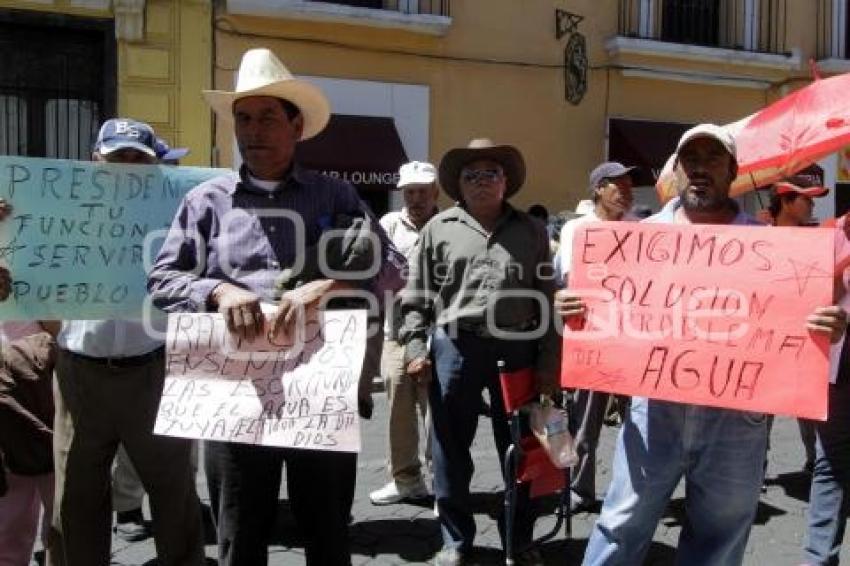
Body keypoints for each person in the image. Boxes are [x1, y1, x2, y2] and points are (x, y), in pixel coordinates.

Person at [147, 48, 405, 566]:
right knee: (240, 535)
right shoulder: (207, 202)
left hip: (319, 391)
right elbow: (162, 280)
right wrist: (217, 292)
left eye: (268, 117)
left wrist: (329, 285)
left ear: (297, 126)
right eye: (244, 118)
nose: (253, 130)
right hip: (233, 394)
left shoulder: (337, 197)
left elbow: (394, 267)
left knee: (327, 532)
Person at [557, 124, 847, 565]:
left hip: (737, 422)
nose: (700, 168)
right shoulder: (633, 241)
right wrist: (574, 307)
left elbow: (798, 322)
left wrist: (829, 324)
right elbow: (600, 310)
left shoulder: (769, 247)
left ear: (733, 171)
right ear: (677, 169)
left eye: (713, 159)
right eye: (690, 159)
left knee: (720, 537)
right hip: (653, 412)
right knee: (620, 526)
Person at [399, 138, 559, 566]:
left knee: (524, 448)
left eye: (491, 173)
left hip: (518, 346)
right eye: (472, 175)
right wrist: (416, 347)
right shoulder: (438, 229)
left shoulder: (532, 231)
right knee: (449, 447)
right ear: (458, 185)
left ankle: (519, 539)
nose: (482, 182)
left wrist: (549, 363)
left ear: (505, 182)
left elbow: (547, 297)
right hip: (456, 346)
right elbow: (417, 296)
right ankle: (456, 541)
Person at [51, 118, 204, 566]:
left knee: (174, 491)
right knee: (75, 497)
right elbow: (26, 275)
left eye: (139, 159)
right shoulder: (57, 209)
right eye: (118, 157)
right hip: (80, 372)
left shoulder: (177, 210)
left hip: (154, 367)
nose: (128, 167)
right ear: (95, 159)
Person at [556, 161, 636, 513]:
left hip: (635, 339)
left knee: (639, 422)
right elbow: (569, 279)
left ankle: (635, 491)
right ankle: (579, 489)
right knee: (584, 420)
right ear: (598, 189)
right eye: (618, 186)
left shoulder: (642, 230)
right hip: (592, 338)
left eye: (629, 186)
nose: (627, 192)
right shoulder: (578, 229)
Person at [370, 161, 440, 505]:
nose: (416, 198)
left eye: (423, 191)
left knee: (436, 409)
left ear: (435, 193)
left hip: (439, 333)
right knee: (398, 405)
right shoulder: (387, 225)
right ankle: (405, 479)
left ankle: (443, 483)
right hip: (395, 332)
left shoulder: (447, 225)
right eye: (409, 192)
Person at [766, 176, 829, 476]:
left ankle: (814, 459)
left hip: (803, 339)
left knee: (807, 405)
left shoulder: (817, 240)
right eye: (807, 199)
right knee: (760, 408)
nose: (813, 205)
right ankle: (757, 466)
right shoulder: (758, 238)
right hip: (764, 340)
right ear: (787, 201)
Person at [801, 212, 850, 566]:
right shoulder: (830, 235)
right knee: (831, 464)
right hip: (839, 366)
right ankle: (818, 559)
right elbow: (807, 296)